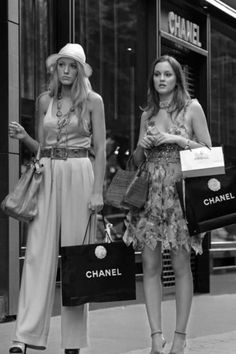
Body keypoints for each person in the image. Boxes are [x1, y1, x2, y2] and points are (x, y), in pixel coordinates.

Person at [8, 43, 106, 354]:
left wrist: (97, 191)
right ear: (56, 68)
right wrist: (25, 138)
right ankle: (24, 336)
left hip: (80, 171)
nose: (65, 71)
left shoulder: (93, 101)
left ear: (80, 70)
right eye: (61, 65)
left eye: (72, 66)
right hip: (47, 172)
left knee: (77, 257)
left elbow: (101, 149)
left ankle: (73, 343)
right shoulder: (44, 101)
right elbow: (42, 148)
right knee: (37, 253)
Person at [123, 55, 211, 354]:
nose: (162, 79)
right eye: (157, 74)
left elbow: (208, 152)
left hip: (180, 192)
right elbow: (135, 162)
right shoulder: (147, 113)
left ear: (176, 79)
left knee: (181, 263)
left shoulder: (191, 108)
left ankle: (180, 337)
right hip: (150, 194)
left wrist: (175, 138)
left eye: (168, 75)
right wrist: (142, 146)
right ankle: (155, 337)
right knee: (149, 264)